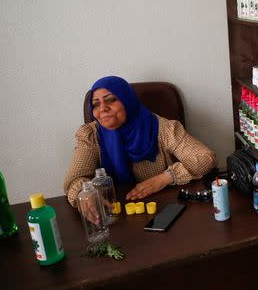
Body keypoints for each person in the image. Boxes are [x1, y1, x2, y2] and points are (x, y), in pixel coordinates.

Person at [64, 76, 216, 221]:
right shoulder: (90, 135)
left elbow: (206, 157)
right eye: (95, 104)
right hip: (112, 215)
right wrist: (85, 193)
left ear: (128, 101)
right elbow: (74, 180)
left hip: (161, 211)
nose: (102, 109)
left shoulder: (163, 128)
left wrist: (166, 177)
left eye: (111, 100)